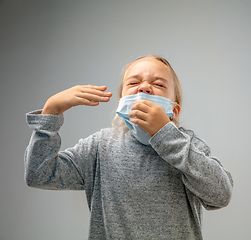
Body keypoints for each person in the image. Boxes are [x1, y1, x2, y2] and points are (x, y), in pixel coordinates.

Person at [24, 54, 233, 239]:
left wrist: (166, 135)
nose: (144, 88)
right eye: (134, 83)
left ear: (174, 111)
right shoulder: (100, 147)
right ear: (121, 103)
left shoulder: (188, 147)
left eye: (159, 85)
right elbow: (39, 173)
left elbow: (221, 195)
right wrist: (50, 113)